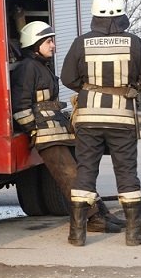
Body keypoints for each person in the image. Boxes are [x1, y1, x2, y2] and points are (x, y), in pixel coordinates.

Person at [60, 0, 141, 246]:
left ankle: (77, 234)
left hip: (88, 119)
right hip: (122, 119)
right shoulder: (134, 43)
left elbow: (68, 78)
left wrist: (88, 87)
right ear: (122, 13)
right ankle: (135, 234)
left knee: (85, 173)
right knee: (126, 173)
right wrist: (132, 89)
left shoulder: (81, 42)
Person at [11, 21, 124, 237]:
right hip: (46, 135)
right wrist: (33, 130)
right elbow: (20, 106)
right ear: (34, 44)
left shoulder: (41, 66)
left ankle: (101, 212)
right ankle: (92, 219)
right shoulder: (27, 69)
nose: (53, 45)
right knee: (69, 175)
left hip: (59, 131)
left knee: (81, 174)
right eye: (48, 41)